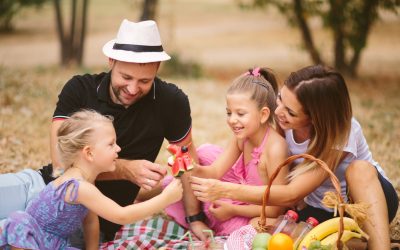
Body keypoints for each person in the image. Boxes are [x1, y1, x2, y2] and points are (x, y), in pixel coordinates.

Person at [0, 19, 209, 242]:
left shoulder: (171, 102)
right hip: (41, 186)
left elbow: (186, 161)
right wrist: (125, 169)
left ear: (157, 67)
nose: (132, 88)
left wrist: (194, 217)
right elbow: (61, 163)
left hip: (81, 220)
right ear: (111, 60)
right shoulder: (79, 89)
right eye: (126, 77)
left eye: (144, 81)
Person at [190, 65, 399, 249]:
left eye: (290, 111)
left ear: (314, 118)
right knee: (258, 226)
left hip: (364, 205)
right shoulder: (284, 124)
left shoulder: (342, 133)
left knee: (359, 168)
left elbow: (291, 192)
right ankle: (354, 244)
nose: (278, 111)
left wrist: (225, 190)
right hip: (319, 210)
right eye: (280, 98)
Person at [0, 110, 183, 250]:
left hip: (53, 244)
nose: (118, 149)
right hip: (29, 241)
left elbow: (90, 222)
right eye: (111, 144)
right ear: (89, 152)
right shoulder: (77, 185)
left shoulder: (86, 182)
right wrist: (165, 198)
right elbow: (121, 215)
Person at [163, 67, 289, 236]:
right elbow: (215, 171)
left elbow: (275, 209)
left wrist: (232, 210)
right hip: (237, 192)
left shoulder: (275, 149)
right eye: (229, 113)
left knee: (245, 228)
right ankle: (146, 195)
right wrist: (194, 167)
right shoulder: (242, 137)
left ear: (264, 115)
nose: (232, 120)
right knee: (202, 156)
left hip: (258, 210)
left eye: (240, 114)